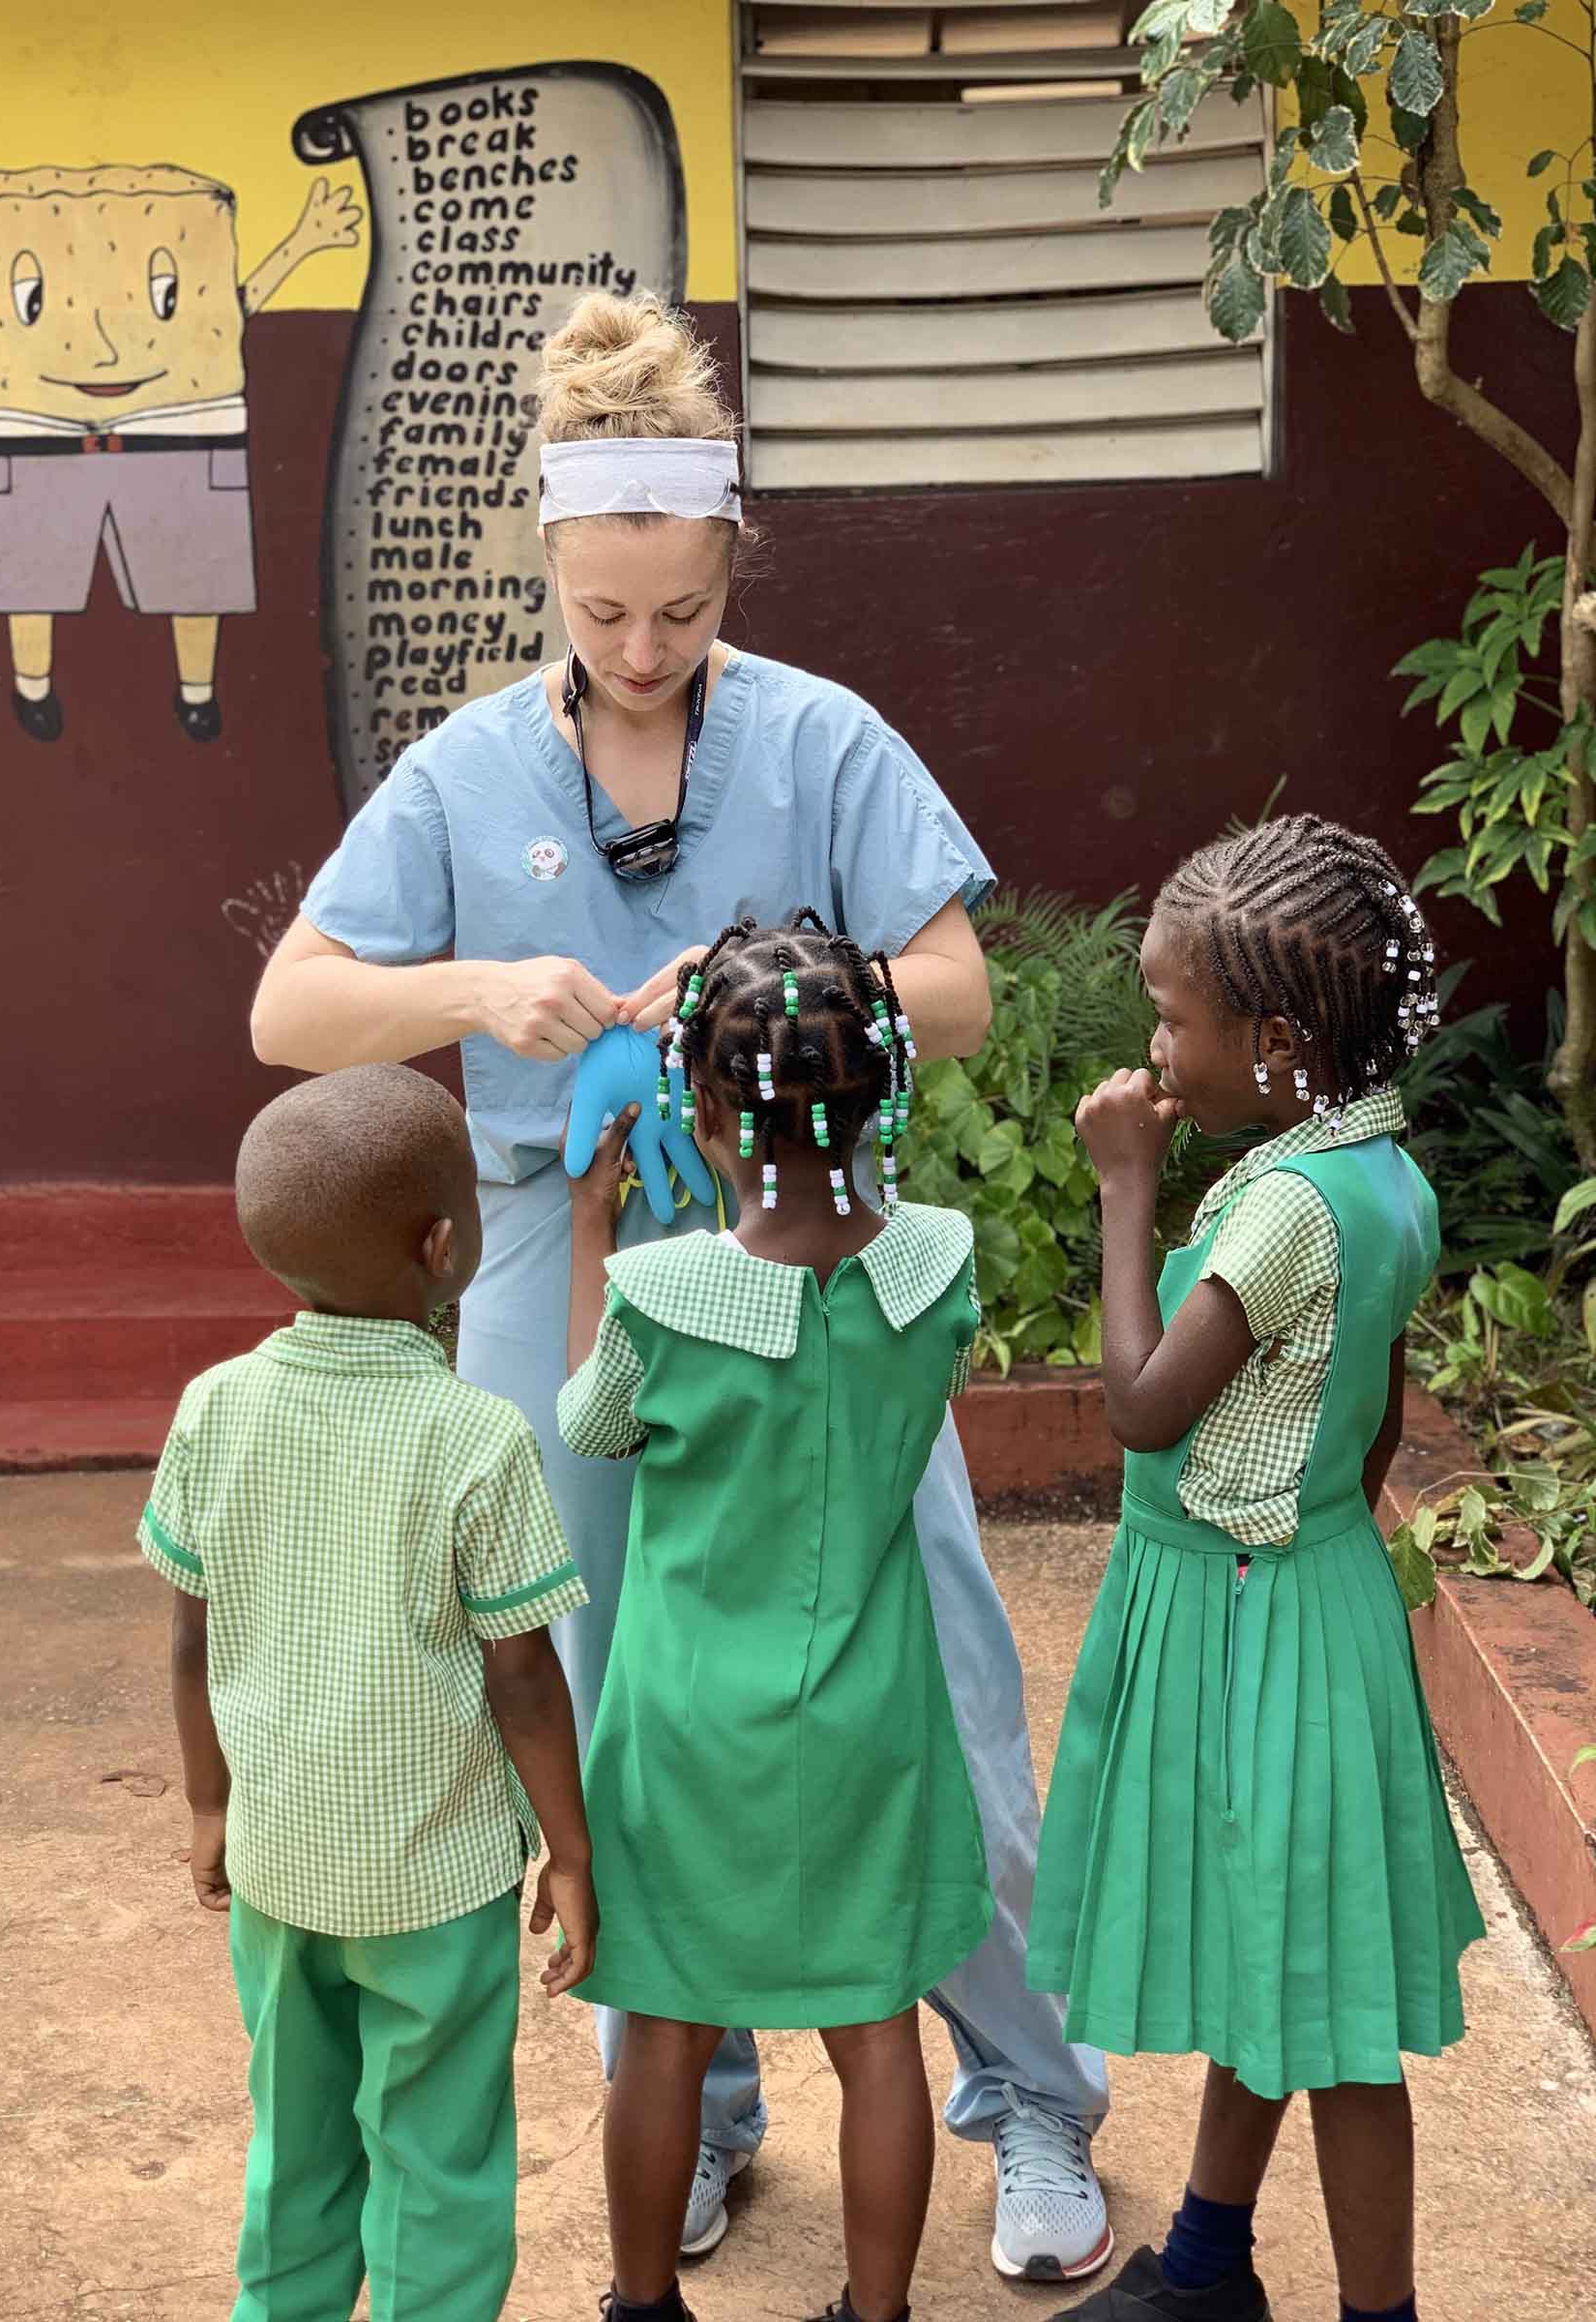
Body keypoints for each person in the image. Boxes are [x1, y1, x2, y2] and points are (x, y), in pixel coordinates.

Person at [251, 288, 1111, 2285]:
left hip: (815, 1254)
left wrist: (749, 1000)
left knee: (941, 1693)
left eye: (681, 613)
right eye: (603, 612)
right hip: (555, 1253)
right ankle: (702, 2103)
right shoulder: (466, 771)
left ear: (731, 565)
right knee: (616, 1702)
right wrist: (477, 991)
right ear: (549, 565)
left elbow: (962, 991)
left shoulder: (821, 737)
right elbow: (292, 1006)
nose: (641, 654)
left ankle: (1037, 2106)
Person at [1026, 817, 1485, 2322]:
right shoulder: (1378, 1170)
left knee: (1334, 2015)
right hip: (1312, 1595)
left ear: (1279, 1039)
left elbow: (1147, 1407)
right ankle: (1211, 2264)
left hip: (1248, 1613)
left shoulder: (1282, 1206)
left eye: (1171, 1017)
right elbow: (1378, 1417)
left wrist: (1120, 1192)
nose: (1153, 1043)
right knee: (1270, 1945)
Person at [560, 915, 993, 2322]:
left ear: (700, 1107)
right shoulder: (939, 1263)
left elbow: (592, 1427)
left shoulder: (658, 1293)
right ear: (882, 1091)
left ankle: (642, 2304)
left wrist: (586, 1237)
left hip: (687, 1730)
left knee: (668, 2034)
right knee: (874, 2038)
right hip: (869, 1714)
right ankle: (877, 2314)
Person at [137, 1063, 596, 2322]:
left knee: (294, 2145)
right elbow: (523, 1676)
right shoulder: (478, 1437)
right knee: (438, 2163)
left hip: (280, 1866)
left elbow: (191, 1636)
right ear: (443, 1244)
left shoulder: (215, 1409)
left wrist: (206, 1807)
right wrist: (569, 1848)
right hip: (435, 1884)